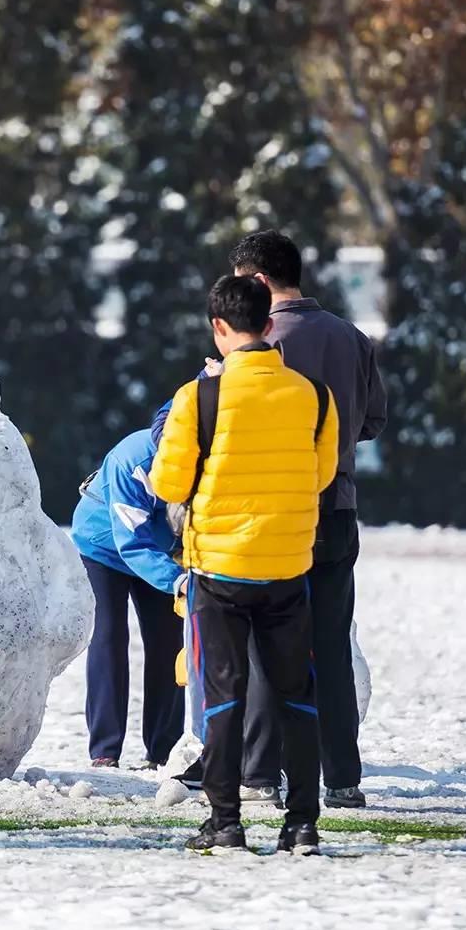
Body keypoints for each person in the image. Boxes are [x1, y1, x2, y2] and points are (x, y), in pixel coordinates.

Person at [150, 275, 339, 855]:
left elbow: (167, 481)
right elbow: (322, 475)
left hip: (220, 570)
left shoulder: (198, 396)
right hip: (287, 563)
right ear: (268, 324)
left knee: (225, 695)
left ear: (219, 328)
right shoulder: (313, 394)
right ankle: (303, 822)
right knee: (296, 694)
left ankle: (225, 821)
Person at [231, 229, 387, 808]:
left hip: (278, 513)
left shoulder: (259, 346)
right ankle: (343, 777)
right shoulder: (351, 337)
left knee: (269, 644)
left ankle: (261, 774)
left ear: (258, 281)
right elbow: (373, 421)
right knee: (331, 643)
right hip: (339, 510)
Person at [70, 404, 186, 770]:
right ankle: (105, 750)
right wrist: (178, 581)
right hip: (103, 547)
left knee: (169, 643)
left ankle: (163, 749)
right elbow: (131, 542)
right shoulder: (131, 459)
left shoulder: (204, 456)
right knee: (108, 638)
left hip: (162, 547)